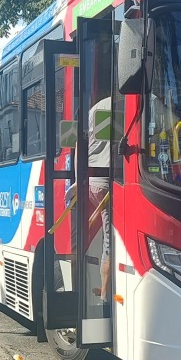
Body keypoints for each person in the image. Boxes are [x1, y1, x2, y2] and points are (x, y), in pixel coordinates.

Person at [65, 96, 111, 304]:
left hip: (91, 182)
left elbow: (77, 145)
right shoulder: (134, 103)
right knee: (109, 243)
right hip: (109, 183)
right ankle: (104, 296)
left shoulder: (95, 108)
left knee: (84, 238)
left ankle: (77, 290)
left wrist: (77, 181)